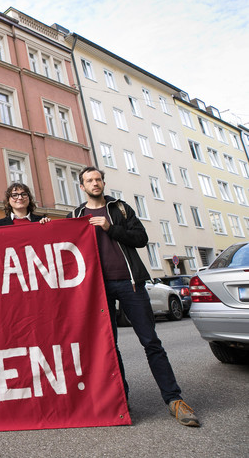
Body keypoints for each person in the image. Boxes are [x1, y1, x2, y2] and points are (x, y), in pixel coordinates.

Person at [68, 166, 199, 427]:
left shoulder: (120, 209)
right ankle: (121, 401)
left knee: (151, 342)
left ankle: (174, 399)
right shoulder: (76, 215)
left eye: (98, 179)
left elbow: (141, 239)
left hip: (131, 284)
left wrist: (110, 227)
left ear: (103, 183)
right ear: (81, 187)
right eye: (89, 181)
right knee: (109, 346)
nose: (95, 183)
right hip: (99, 288)